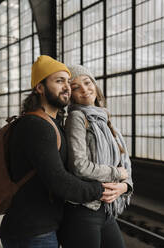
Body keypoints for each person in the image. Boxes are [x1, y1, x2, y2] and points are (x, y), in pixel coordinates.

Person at [0, 55, 105, 248]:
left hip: (42, 228)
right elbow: (59, 181)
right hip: (31, 231)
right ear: (40, 87)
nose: (67, 87)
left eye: (67, 81)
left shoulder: (53, 123)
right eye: (59, 81)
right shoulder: (36, 126)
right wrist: (102, 189)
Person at [58, 65, 133, 248]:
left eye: (87, 82)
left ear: (94, 84)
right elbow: (79, 165)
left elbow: (123, 162)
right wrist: (116, 174)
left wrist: (125, 187)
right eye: (76, 87)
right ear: (71, 95)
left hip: (105, 209)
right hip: (84, 210)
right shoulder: (77, 117)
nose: (84, 89)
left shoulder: (104, 117)